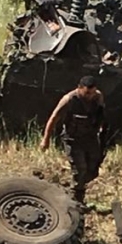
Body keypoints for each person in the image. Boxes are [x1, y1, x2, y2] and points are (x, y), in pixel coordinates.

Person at [40, 76, 106, 204]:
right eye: (87, 93)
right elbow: (54, 118)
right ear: (79, 88)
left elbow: (101, 114)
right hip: (73, 139)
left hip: (90, 138)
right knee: (80, 169)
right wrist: (45, 140)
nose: (90, 96)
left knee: (93, 169)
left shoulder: (98, 97)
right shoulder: (69, 99)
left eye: (92, 93)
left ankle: (77, 187)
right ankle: (76, 199)